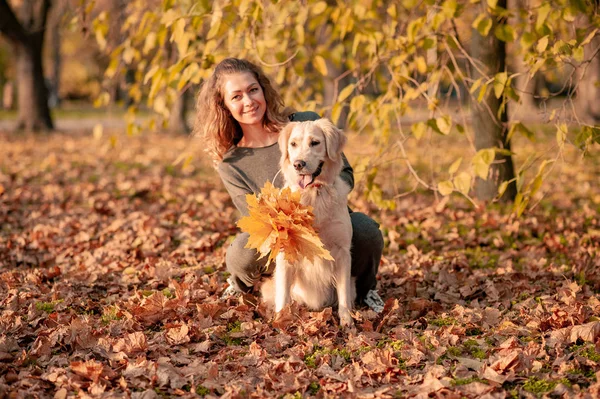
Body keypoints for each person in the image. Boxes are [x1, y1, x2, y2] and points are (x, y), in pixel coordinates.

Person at [193, 57, 385, 312]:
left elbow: (346, 173)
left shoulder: (305, 123)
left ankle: (364, 291)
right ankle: (244, 287)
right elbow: (253, 218)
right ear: (224, 105)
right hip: (284, 241)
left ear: (263, 90)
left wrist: (322, 190)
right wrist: (292, 220)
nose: (249, 101)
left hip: (330, 218)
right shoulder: (232, 163)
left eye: (253, 90)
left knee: (366, 228)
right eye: (236, 96)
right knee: (242, 249)